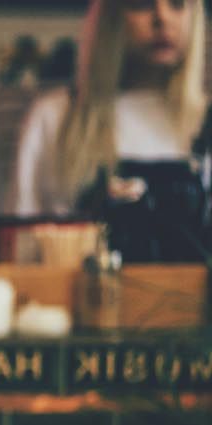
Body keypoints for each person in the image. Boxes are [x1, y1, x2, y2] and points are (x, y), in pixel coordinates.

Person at [12, 0, 211, 262]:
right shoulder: (55, 118)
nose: (162, 18)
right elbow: (23, 248)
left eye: (177, 4)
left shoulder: (204, 123)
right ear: (110, 17)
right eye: (142, 4)